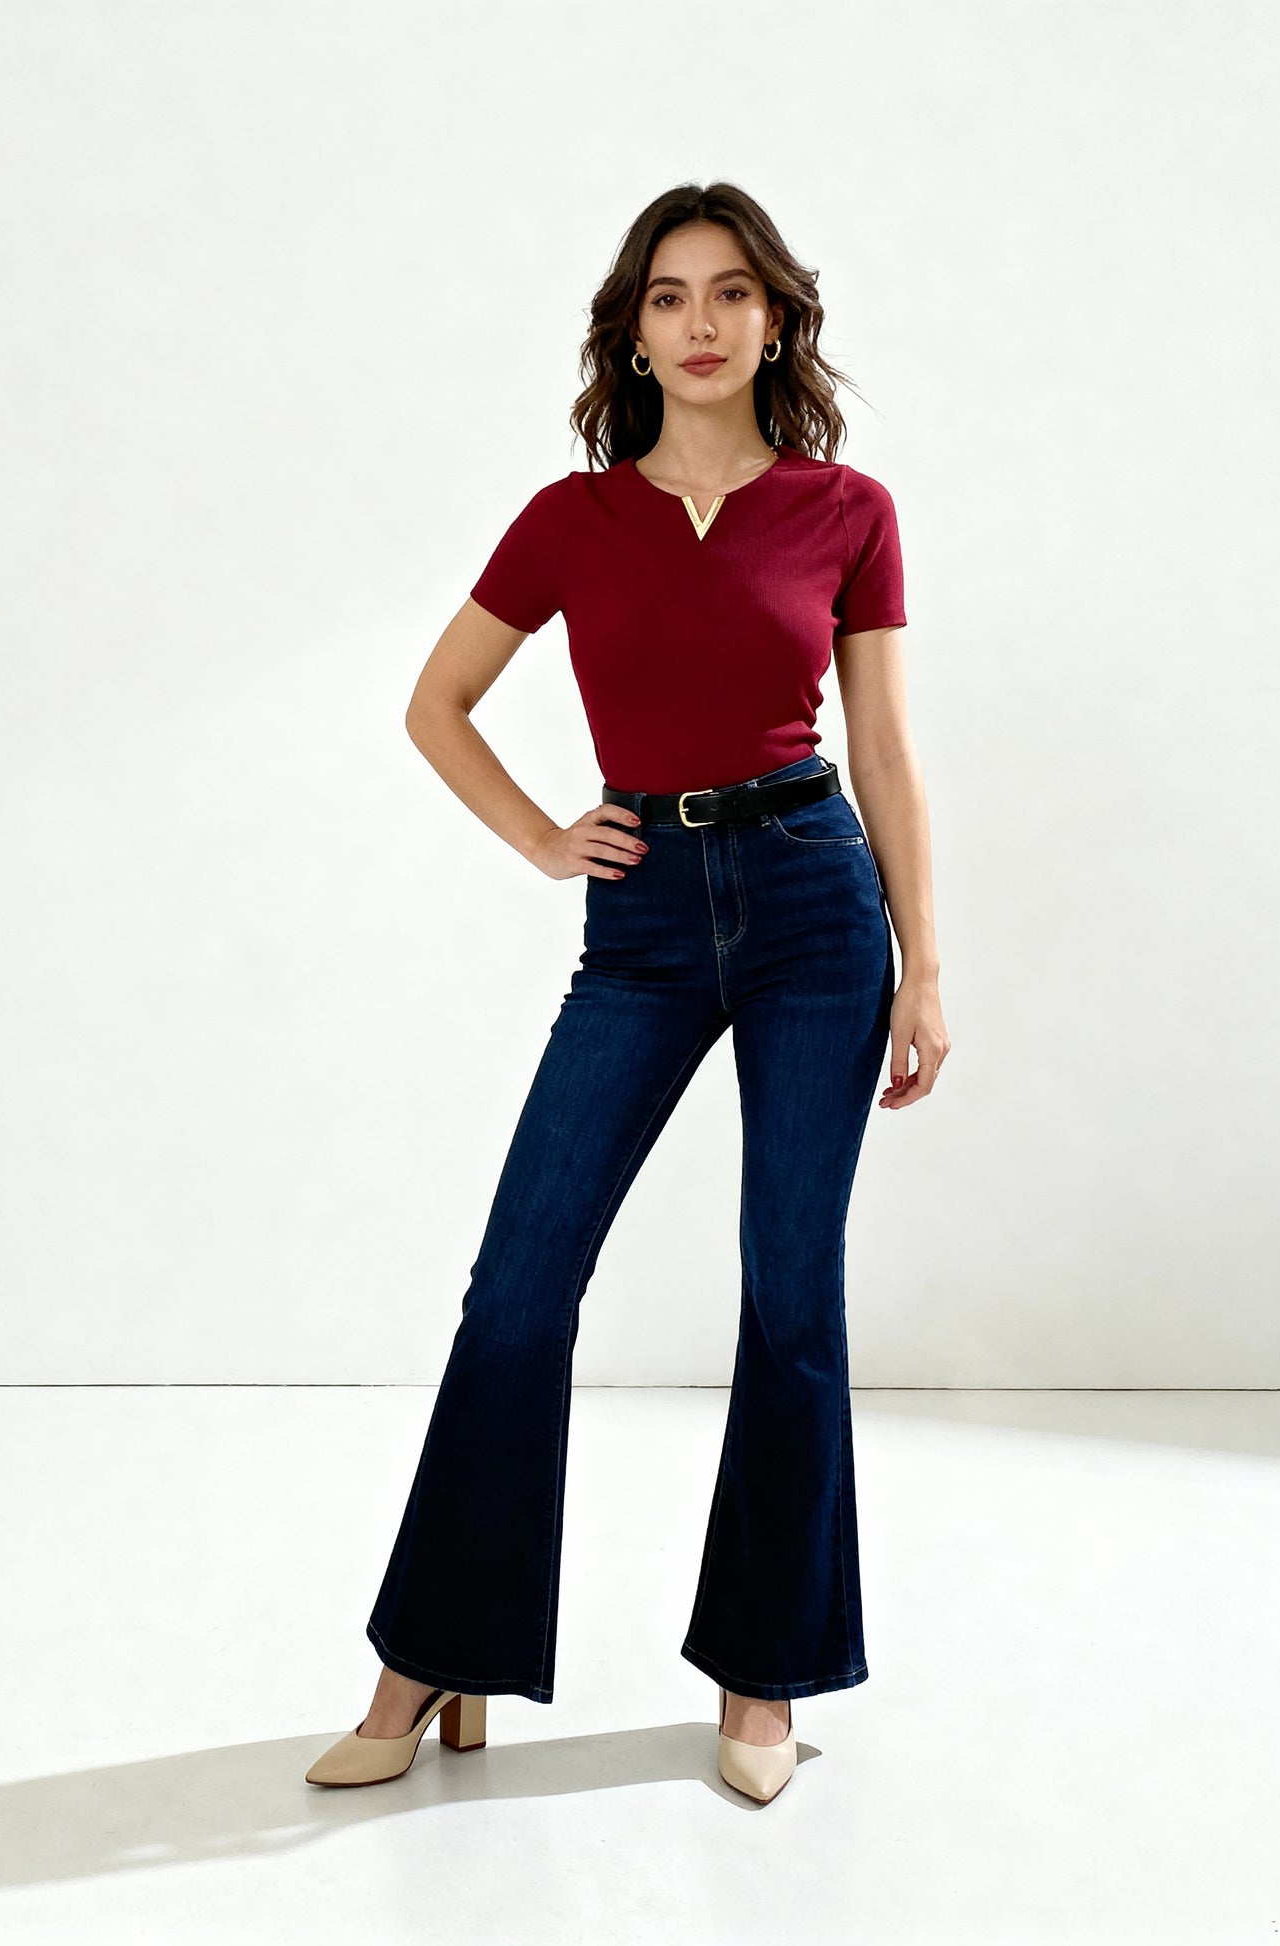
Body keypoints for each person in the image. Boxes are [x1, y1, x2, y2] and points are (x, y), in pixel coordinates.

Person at [305, 181, 949, 1804]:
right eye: (670, 297)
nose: (704, 322)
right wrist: (540, 836)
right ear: (634, 328)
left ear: (779, 319)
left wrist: (922, 964)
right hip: (642, 918)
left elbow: (877, 748)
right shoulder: (569, 519)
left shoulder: (844, 509)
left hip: (814, 904)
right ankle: (433, 1651)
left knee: (788, 1293)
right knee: (517, 1287)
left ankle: (763, 1672)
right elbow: (435, 703)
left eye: (733, 293)